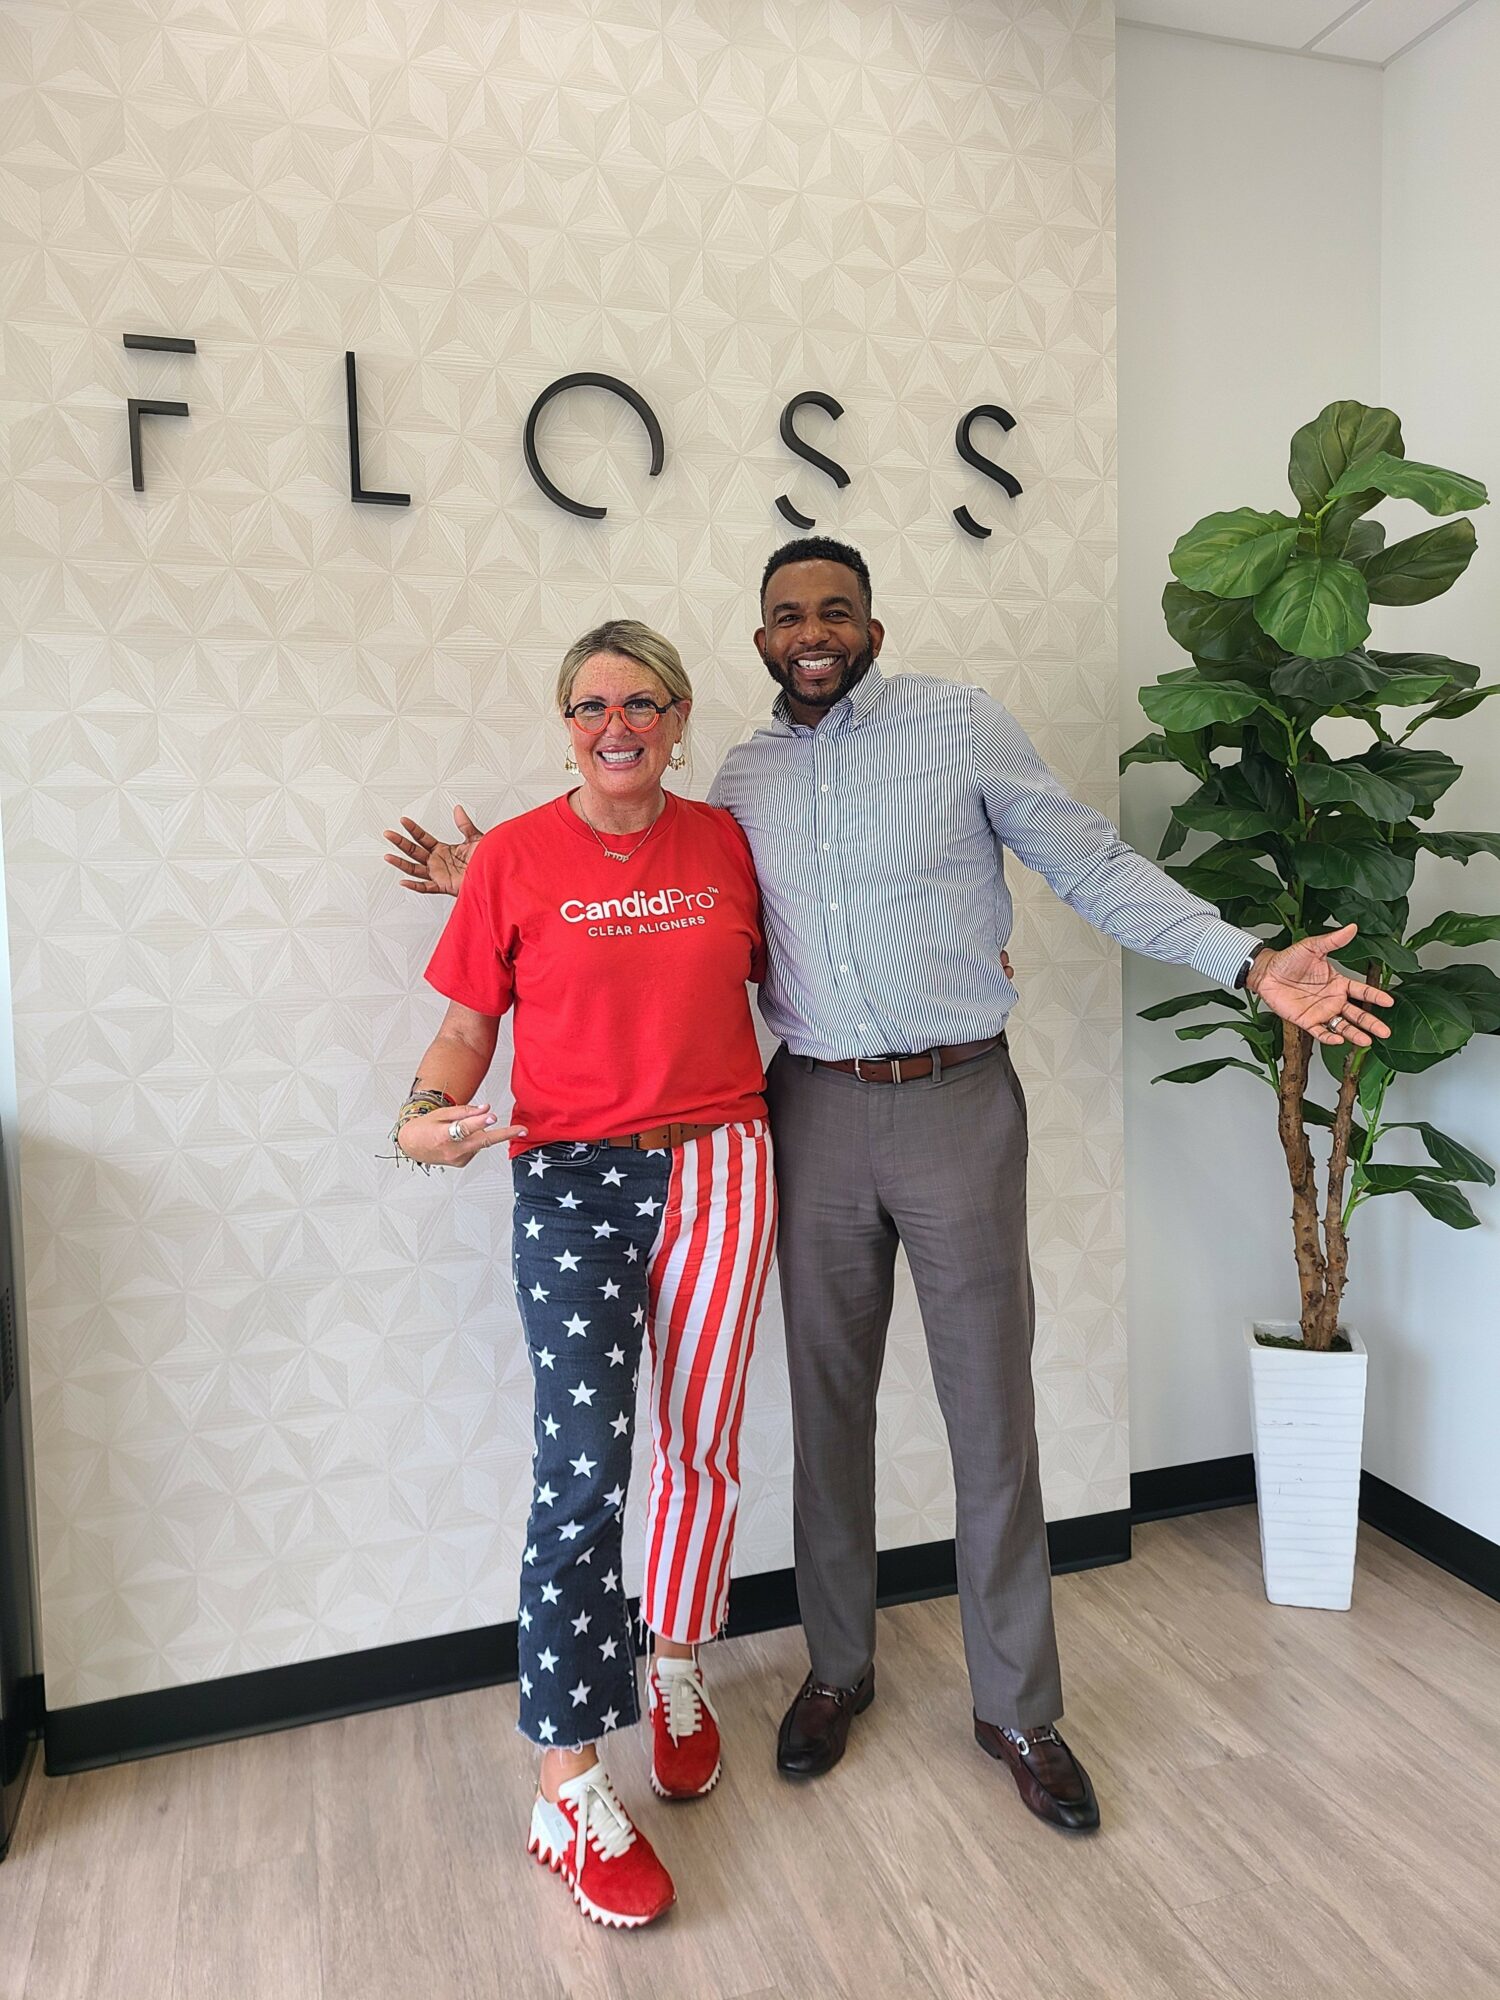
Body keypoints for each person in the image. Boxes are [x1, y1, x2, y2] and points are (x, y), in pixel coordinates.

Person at [387, 539, 1392, 1838]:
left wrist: (1249, 964)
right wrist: (489, 877)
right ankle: (836, 1670)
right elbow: (632, 870)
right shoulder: (742, 782)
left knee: (991, 1413)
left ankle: (1021, 1706)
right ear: (758, 642)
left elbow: (1089, 866)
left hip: (960, 1101)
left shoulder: (960, 727)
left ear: (871, 622)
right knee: (829, 1409)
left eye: (835, 611)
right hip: (806, 1108)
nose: (812, 632)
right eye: (786, 616)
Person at [392, 619, 775, 1929]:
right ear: (567, 723)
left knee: (702, 1443)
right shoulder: (512, 857)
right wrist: (418, 1121)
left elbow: (809, 968)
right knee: (584, 1471)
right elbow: (460, 1030)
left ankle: (674, 1663)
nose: (619, 724)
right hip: (570, 1184)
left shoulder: (726, 843)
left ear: (679, 716)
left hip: (724, 1161)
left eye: (645, 701)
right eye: (592, 704)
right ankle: (568, 1783)